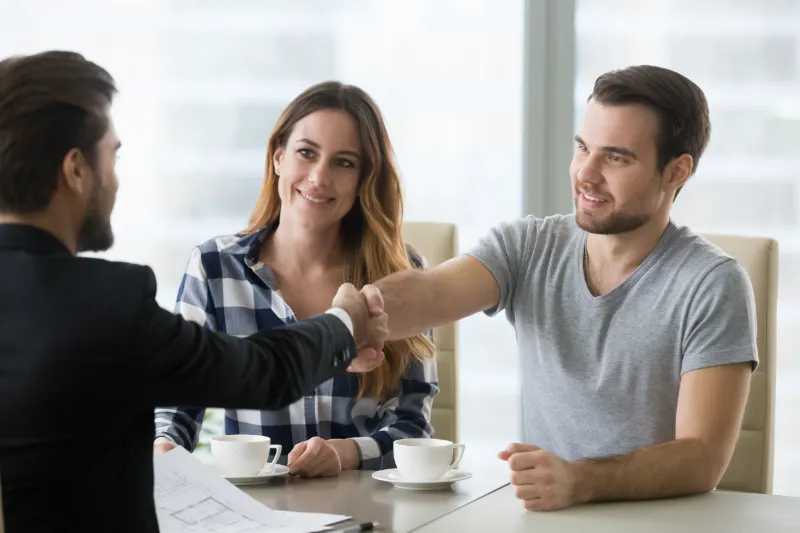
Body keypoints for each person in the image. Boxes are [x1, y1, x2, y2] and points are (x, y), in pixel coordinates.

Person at [0, 51, 387, 533]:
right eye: (112, 156)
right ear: (76, 169)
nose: (116, 179)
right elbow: (264, 373)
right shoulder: (109, 302)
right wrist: (346, 323)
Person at [358, 65, 757, 511]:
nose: (586, 174)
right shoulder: (529, 246)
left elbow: (701, 458)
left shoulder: (712, 283)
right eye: (583, 148)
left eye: (616, 157)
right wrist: (363, 315)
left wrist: (580, 480)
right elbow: (431, 293)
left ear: (677, 172)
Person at [152, 81, 438, 477]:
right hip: (256, 513)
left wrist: (346, 453)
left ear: (363, 181)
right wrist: (164, 445)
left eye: (344, 162)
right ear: (278, 158)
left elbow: (415, 428)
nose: (319, 177)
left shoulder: (402, 274)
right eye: (306, 153)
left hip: (364, 510)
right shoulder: (214, 266)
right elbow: (176, 400)